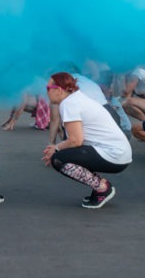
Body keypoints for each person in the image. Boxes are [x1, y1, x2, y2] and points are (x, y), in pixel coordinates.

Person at [42, 72, 131, 209]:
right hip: (119, 153)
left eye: (48, 89)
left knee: (58, 159)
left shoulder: (69, 104)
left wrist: (56, 149)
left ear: (58, 90)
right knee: (63, 154)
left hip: (114, 155)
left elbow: (76, 140)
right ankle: (99, 186)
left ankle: (102, 188)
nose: (46, 92)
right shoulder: (76, 99)